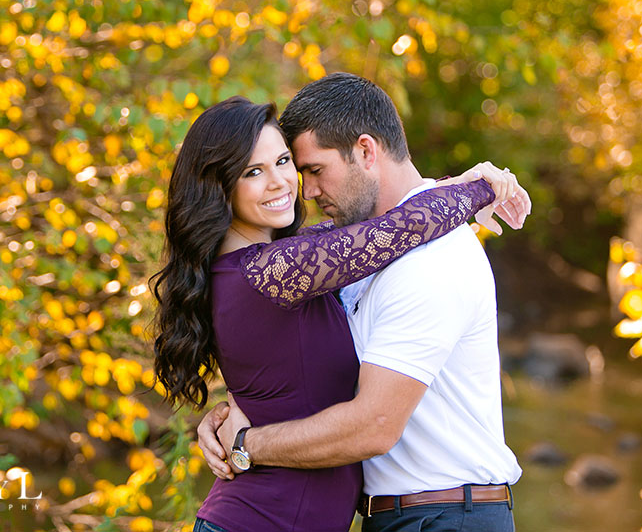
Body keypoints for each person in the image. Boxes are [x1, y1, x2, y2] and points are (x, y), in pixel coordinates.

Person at [150, 88, 527, 532]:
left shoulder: (297, 262)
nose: (290, 185)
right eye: (254, 171)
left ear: (365, 150)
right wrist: (478, 189)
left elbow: (390, 226)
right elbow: (398, 227)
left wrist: (246, 441)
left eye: (288, 163)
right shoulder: (271, 270)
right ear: (221, 187)